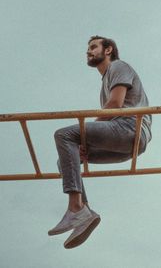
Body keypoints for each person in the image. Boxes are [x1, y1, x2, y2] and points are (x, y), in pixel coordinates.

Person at [48, 36, 152, 249]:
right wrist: (86, 145)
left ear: (108, 50)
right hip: (125, 145)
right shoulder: (104, 81)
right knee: (66, 160)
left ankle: (75, 209)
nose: (88, 51)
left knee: (64, 135)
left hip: (129, 129)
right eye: (87, 48)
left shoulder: (118, 66)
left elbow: (115, 104)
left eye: (93, 47)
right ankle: (83, 213)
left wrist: (85, 136)